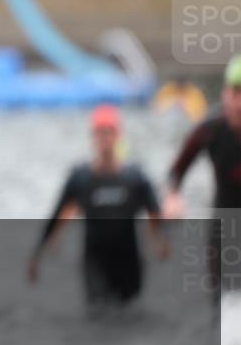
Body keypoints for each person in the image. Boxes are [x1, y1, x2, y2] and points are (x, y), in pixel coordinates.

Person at [28, 105, 168, 306]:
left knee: (128, 312)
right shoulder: (80, 178)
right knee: (98, 312)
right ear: (92, 137)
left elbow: (155, 213)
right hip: (95, 261)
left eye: (109, 133)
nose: (104, 139)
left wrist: (161, 241)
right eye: (100, 133)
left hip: (128, 261)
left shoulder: (135, 178)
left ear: (118, 136)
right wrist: (38, 253)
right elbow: (58, 215)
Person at [164, 54, 241, 297]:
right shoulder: (210, 129)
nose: (240, 104)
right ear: (225, 94)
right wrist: (173, 196)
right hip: (224, 229)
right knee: (221, 303)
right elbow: (176, 171)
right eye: (236, 93)